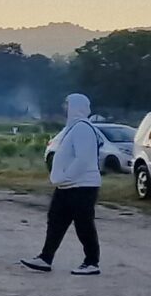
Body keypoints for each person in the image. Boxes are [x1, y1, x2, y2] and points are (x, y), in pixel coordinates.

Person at [23, 92, 105, 275]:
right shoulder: (72, 128)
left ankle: (92, 262)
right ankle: (45, 258)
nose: (64, 107)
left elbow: (83, 159)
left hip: (82, 186)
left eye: (67, 104)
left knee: (83, 224)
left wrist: (65, 176)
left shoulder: (83, 128)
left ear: (76, 106)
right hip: (67, 186)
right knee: (56, 221)